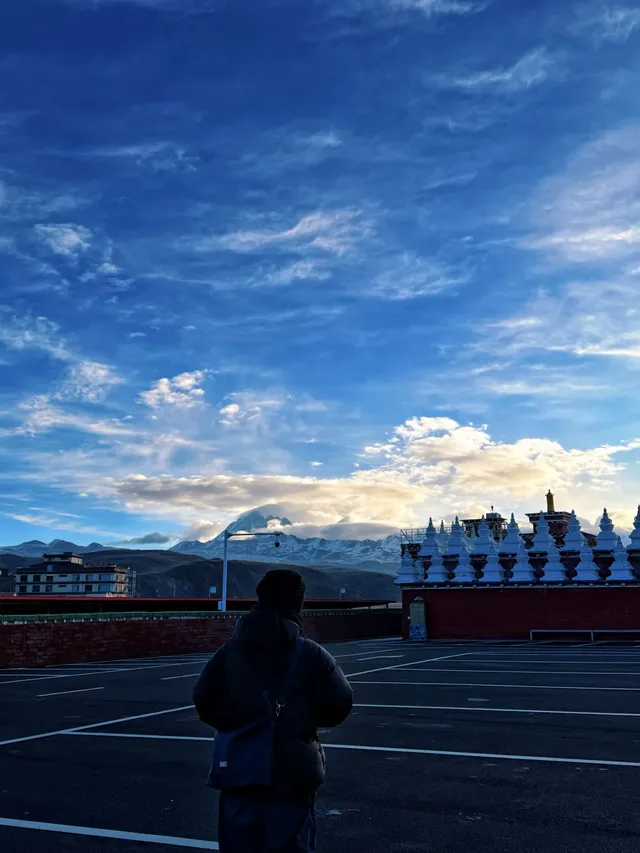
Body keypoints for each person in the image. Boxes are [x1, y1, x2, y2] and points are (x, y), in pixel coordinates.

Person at [193, 569, 353, 853]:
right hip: (291, 775)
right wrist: (300, 721)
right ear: (298, 602)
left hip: (239, 769)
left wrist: (235, 722)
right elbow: (340, 705)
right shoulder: (310, 654)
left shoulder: (229, 653)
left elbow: (203, 700)